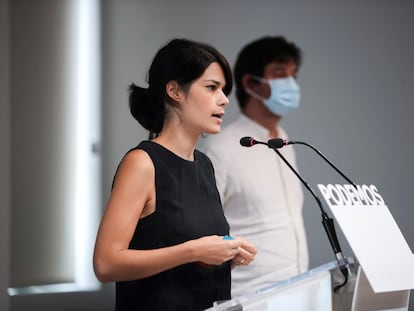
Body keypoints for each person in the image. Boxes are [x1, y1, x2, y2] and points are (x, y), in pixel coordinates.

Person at [93, 38, 256, 311]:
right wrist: (194, 251)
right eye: (212, 87)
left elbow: (185, 257)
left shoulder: (205, 165)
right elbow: (106, 264)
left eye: (224, 90)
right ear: (175, 91)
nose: (224, 100)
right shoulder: (142, 163)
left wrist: (224, 256)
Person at [199, 36, 309, 297]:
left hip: (297, 290)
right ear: (251, 83)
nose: (291, 83)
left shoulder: (285, 141)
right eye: (280, 74)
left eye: (294, 75)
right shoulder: (221, 149)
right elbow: (203, 235)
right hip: (248, 296)